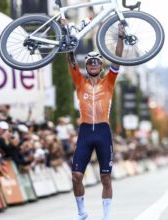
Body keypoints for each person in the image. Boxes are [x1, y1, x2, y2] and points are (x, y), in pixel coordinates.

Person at [61, 18, 124, 220]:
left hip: (103, 132)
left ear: (101, 66)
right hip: (86, 131)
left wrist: (121, 37)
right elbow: (70, 58)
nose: (94, 65)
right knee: (76, 176)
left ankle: (106, 216)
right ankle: (82, 212)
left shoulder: (109, 82)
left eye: (97, 62)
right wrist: (65, 31)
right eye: (90, 63)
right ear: (87, 66)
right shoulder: (80, 81)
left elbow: (117, 58)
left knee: (106, 177)